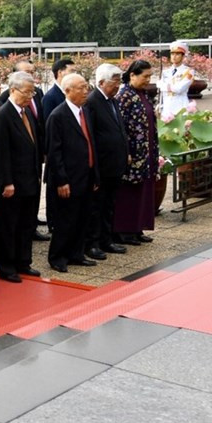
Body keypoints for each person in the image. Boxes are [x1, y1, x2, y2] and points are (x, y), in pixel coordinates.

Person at [45, 74, 100, 273]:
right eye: (81, 88)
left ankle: (76, 253)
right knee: (65, 220)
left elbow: (90, 143)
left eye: (86, 87)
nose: (86, 91)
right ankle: (57, 257)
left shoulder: (85, 111)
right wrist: (61, 181)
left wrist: (95, 175)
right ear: (68, 91)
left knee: (82, 218)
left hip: (86, 175)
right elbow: (54, 152)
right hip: (68, 178)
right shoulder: (58, 116)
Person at [0, 72, 43, 282]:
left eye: (33, 92)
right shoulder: (3, 115)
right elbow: (0, 152)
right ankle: (6, 266)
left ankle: (24, 261)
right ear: (13, 90)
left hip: (30, 179)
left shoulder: (27, 112)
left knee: (26, 224)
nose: (31, 96)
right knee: (8, 225)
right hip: (13, 182)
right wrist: (6, 182)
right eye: (27, 92)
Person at [84, 64, 129, 258]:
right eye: (115, 81)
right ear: (101, 82)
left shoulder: (113, 101)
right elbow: (91, 136)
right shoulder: (92, 102)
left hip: (115, 163)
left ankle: (107, 239)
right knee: (96, 207)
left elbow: (119, 129)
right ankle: (93, 243)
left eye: (119, 81)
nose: (118, 85)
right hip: (101, 165)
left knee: (109, 204)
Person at [114, 60, 159, 246]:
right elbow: (120, 127)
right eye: (145, 76)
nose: (148, 80)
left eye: (150, 76)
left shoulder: (144, 94)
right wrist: (127, 151)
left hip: (146, 150)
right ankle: (125, 230)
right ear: (132, 75)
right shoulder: (124, 96)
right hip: (133, 152)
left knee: (143, 190)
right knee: (129, 192)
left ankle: (138, 227)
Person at [160, 41, 194, 117]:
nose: (174, 56)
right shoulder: (165, 72)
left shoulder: (188, 72)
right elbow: (160, 88)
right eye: (172, 54)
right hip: (166, 108)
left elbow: (179, 89)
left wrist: (165, 86)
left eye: (177, 54)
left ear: (183, 56)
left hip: (181, 107)